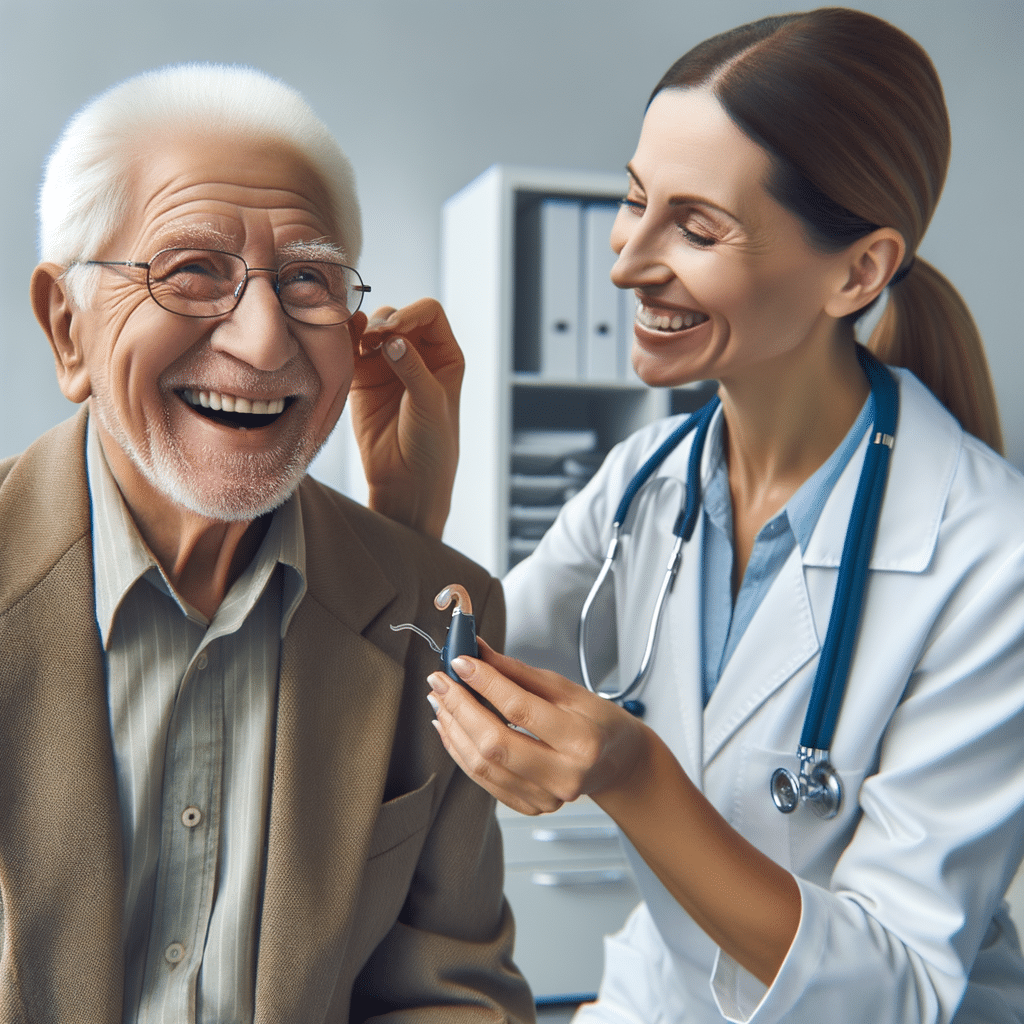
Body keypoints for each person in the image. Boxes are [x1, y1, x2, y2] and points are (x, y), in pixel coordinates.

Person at [356, 9, 1024, 1023]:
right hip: (657, 1000)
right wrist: (409, 506)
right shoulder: (646, 479)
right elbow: (456, 680)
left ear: (857, 272)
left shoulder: (989, 553)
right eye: (635, 201)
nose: (625, 261)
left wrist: (633, 776)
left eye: (697, 227)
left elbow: (894, 988)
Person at [0, 63, 535, 1023]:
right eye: (192, 269)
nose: (262, 341)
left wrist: (401, 548)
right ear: (67, 328)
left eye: (307, 280)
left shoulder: (439, 607)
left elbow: (449, 992)